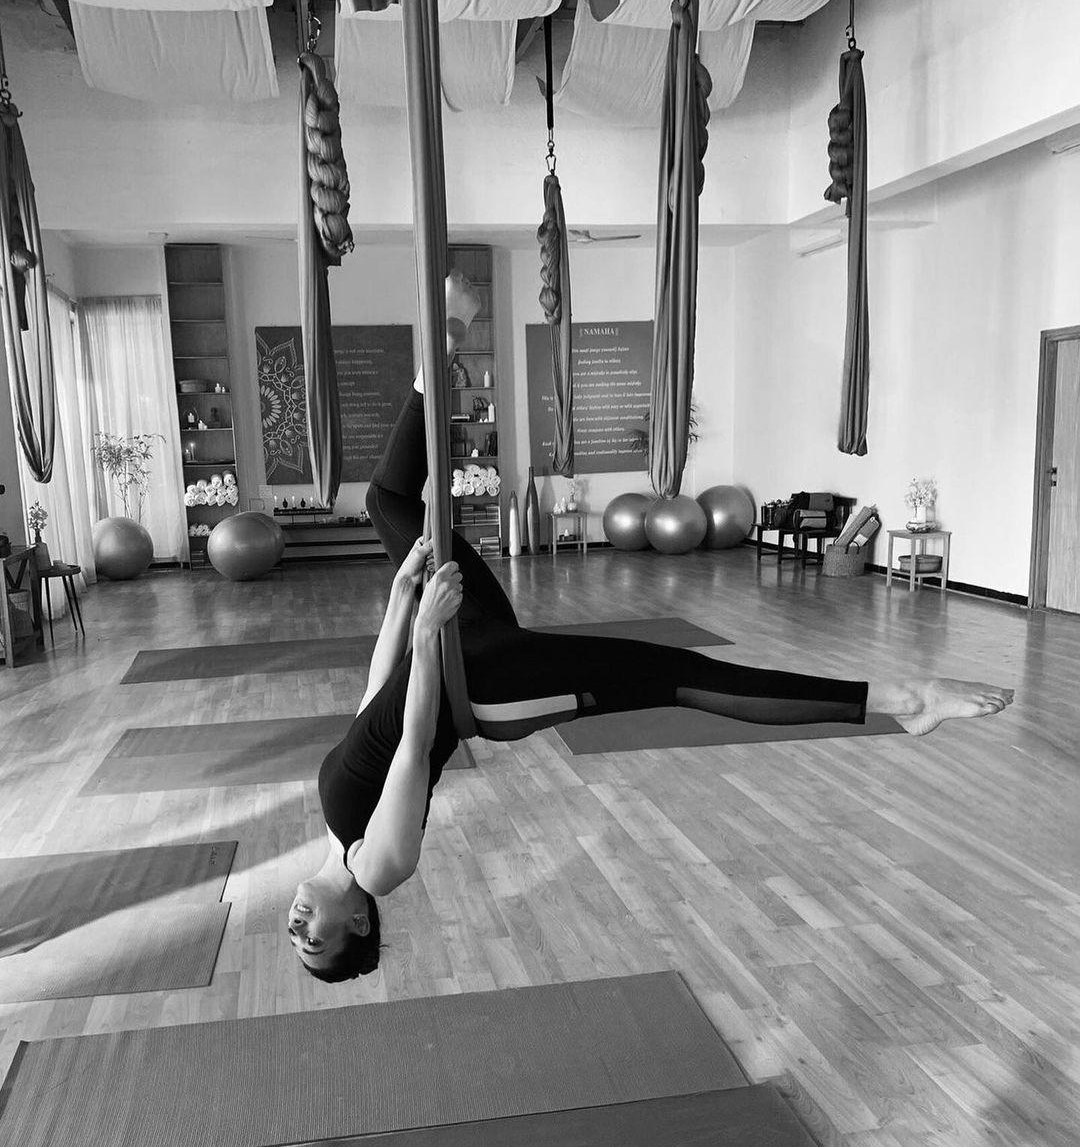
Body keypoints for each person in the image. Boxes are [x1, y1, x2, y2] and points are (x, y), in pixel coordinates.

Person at [288, 277, 1014, 981]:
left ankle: (442, 347)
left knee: (389, 501)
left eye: (294, 941)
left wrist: (401, 597)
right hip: (482, 691)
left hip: (451, 652)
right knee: (679, 678)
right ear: (356, 924)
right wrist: (424, 638)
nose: (299, 930)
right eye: (315, 943)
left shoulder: (333, 826)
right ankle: (901, 703)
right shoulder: (377, 869)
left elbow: (369, 707)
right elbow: (413, 746)